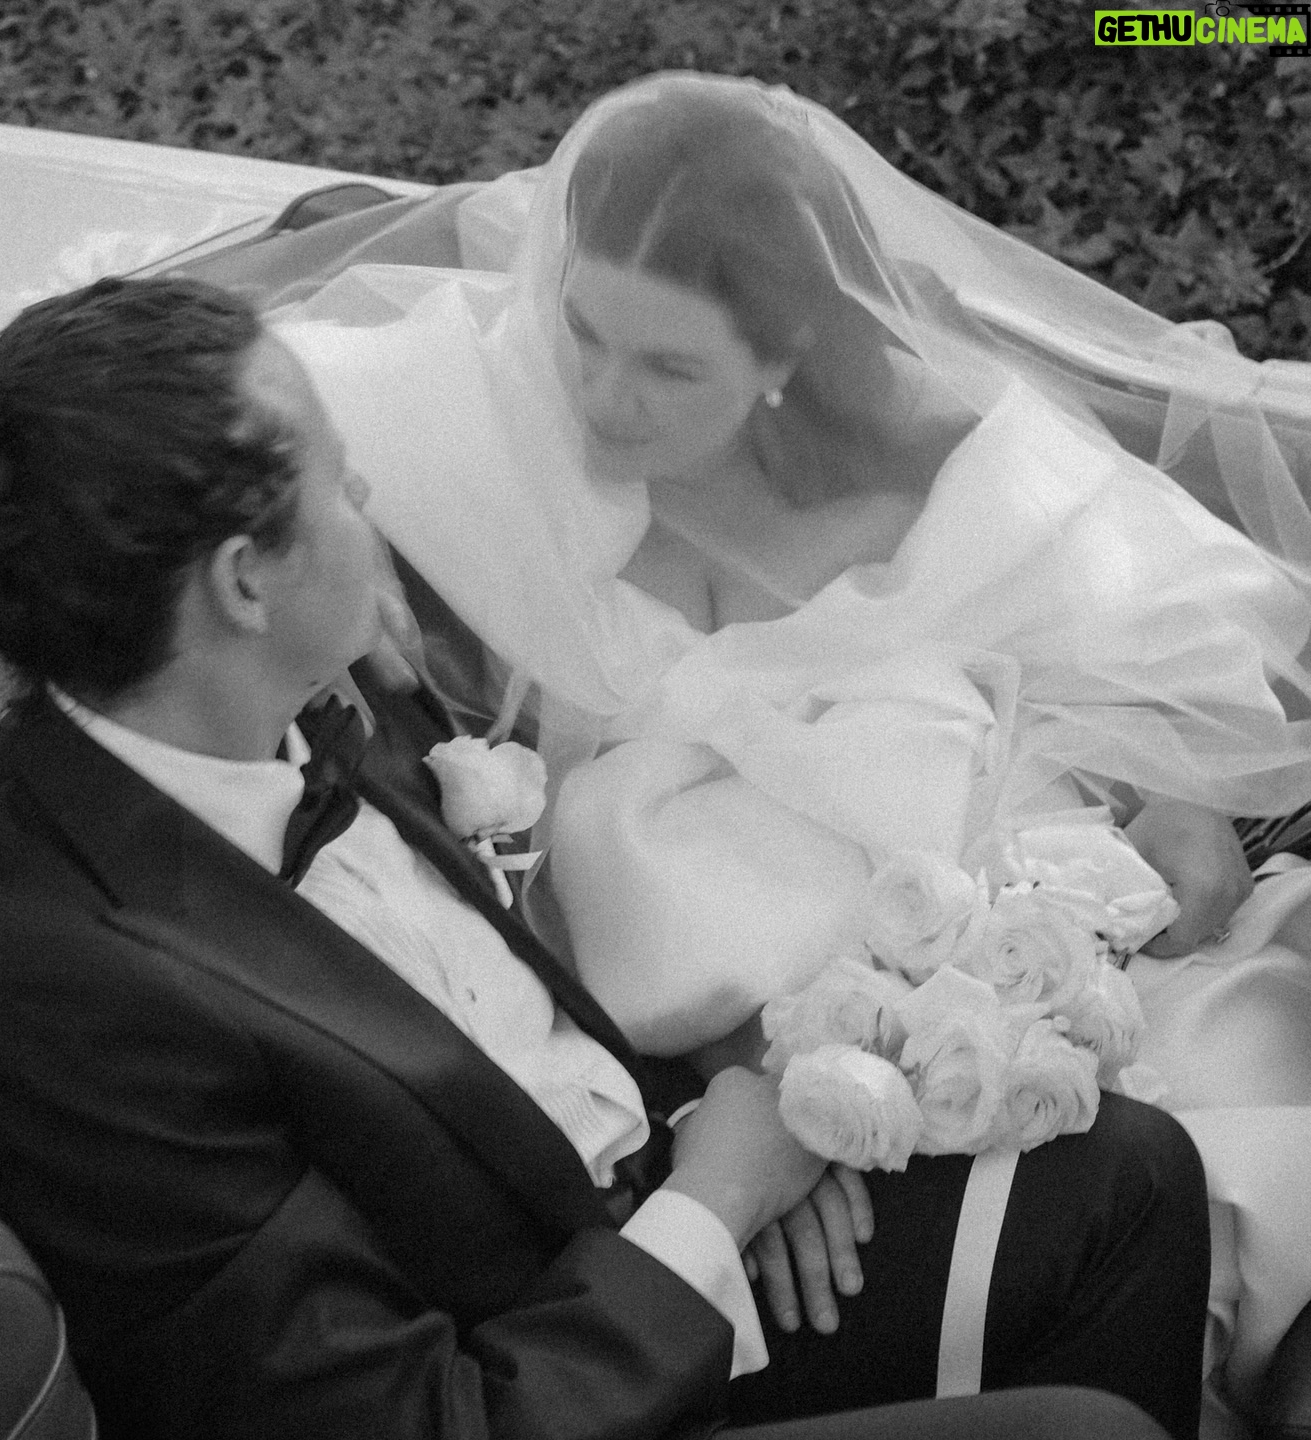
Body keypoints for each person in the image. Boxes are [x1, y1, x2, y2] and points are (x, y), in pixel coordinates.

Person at [0, 275, 1205, 1440]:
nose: (371, 502)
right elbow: (405, 1419)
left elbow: (502, 1022)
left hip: (628, 1217)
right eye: (339, 481)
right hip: (541, 1366)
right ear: (241, 582)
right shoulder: (53, 1005)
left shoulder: (272, 697)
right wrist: (717, 1206)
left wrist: (723, 1122)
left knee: (1129, 1181)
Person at [264, 72, 1311, 1429]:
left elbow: (1190, 624)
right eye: (584, 333)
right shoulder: (502, 434)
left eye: (670, 368)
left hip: (1008, 952)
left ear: (787, 357)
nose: (603, 397)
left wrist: (1176, 796)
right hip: (699, 1046)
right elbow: (207, 379)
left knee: (1231, 1132)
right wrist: (339, 530)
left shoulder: (941, 471)